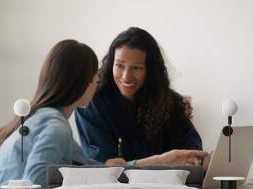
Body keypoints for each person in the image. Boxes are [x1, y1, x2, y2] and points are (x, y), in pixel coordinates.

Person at [0, 39, 123, 189]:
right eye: (96, 79)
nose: (97, 85)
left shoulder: (43, 117)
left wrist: (136, 165)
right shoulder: (55, 127)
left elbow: (85, 164)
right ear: (81, 82)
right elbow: (36, 181)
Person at [75, 27, 206, 166]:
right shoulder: (92, 101)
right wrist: (161, 162)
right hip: (115, 187)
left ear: (150, 71)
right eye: (119, 65)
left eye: (137, 68)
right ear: (110, 64)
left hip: (167, 184)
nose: (126, 76)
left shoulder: (168, 101)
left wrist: (199, 160)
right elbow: (103, 166)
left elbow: (191, 150)